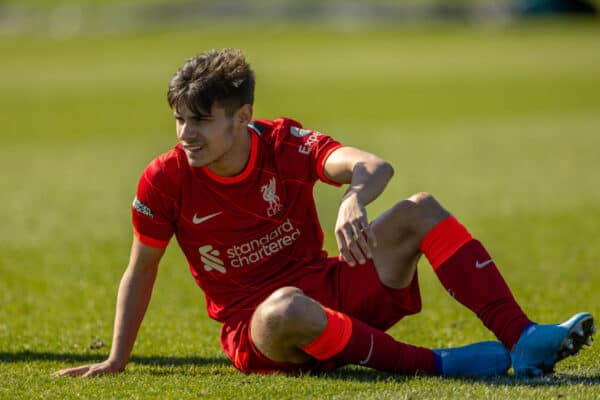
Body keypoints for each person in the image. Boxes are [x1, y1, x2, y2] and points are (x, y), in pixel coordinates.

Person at [54, 48, 594, 379]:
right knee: (285, 307)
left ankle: (522, 340)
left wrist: (354, 195)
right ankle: (438, 363)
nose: (185, 134)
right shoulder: (165, 178)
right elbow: (141, 268)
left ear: (243, 117)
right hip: (260, 327)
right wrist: (118, 359)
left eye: (200, 120)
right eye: (178, 120)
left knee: (420, 210)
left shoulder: (283, 143)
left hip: (331, 287)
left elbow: (373, 165)